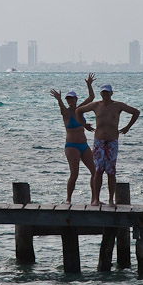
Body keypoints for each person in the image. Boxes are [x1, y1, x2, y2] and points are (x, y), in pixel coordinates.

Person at [75, 83, 139, 206]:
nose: (105, 94)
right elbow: (79, 111)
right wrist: (84, 125)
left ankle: (111, 200)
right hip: (98, 141)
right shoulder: (96, 105)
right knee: (98, 171)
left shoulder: (117, 106)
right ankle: (96, 199)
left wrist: (127, 127)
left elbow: (136, 112)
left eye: (107, 92)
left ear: (111, 93)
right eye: (103, 92)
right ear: (101, 93)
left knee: (111, 172)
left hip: (112, 141)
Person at [49, 73, 97, 203]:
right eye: (67, 100)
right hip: (72, 146)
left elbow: (92, 97)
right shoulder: (66, 113)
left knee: (95, 171)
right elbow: (61, 108)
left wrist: (89, 85)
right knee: (74, 174)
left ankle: (94, 199)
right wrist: (59, 99)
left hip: (84, 145)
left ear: (76, 99)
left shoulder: (80, 109)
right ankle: (68, 200)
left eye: (71, 99)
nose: (70, 101)